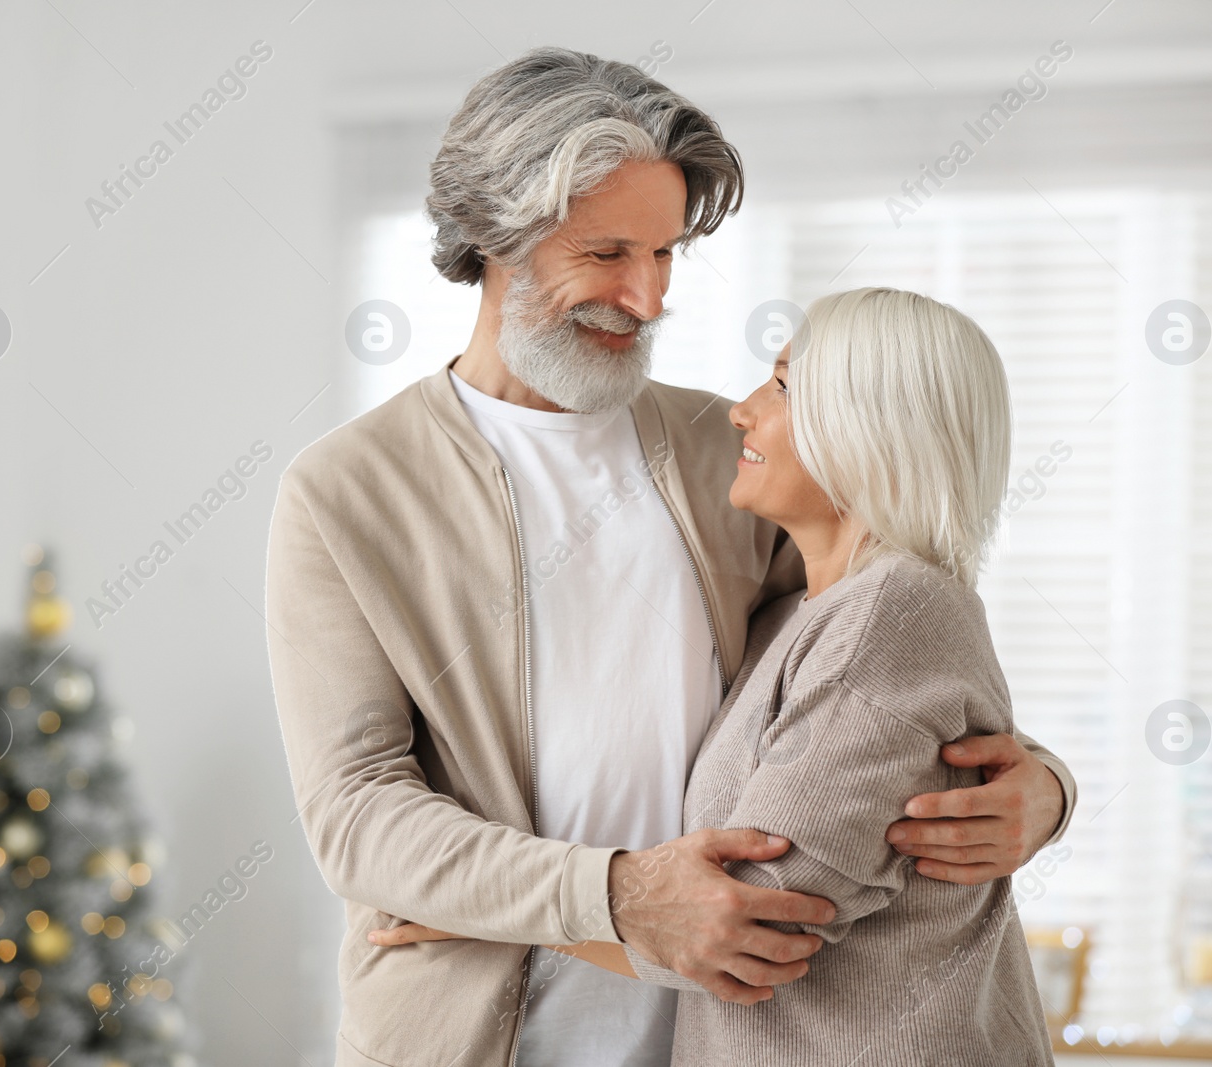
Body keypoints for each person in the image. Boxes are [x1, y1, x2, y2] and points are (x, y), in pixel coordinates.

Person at [265, 47, 1076, 1067]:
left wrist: (1041, 786)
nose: (646, 299)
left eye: (665, 255)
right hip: (473, 1035)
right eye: (608, 252)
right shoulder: (348, 490)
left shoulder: (716, 453)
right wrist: (606, 898)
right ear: (492, 238)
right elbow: (356, 809)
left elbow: (880, 659)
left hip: (737, 1022)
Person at [376, 288, 1056, 1065]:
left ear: (873, 425)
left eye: (783, 386)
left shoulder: (891, 611)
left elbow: (747, 924)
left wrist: (493, 912)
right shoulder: (791, 616)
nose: (743, 410)